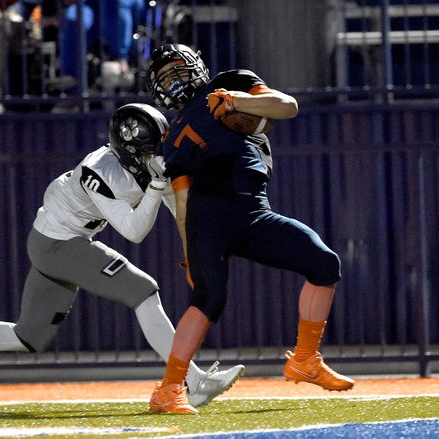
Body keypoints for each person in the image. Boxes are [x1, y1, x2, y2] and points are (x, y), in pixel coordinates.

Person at [0, 103, 244, 408]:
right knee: (143, 290)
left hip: (60, 240)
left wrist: (197, 245)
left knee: (28, 336)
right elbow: (134, 231)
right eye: (146, 153)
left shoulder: (145, 161)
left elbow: (176, 204)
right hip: (56, 243)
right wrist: (156, 186)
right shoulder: (100, 169)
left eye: (157, 150)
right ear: (126, 151)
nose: (153, 159)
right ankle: (191, 380)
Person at [144, 44, 355, 414]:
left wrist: (237, 101)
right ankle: (169, 389)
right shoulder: (174, 134)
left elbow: (286, 107)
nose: (173, 81)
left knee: (324, 263)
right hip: (207, 214)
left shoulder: (229, 82)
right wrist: (188, 252)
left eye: (176, 71)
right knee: (208, 299)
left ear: (195, 67)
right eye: (164, 79)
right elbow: (182, 202)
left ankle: (305, 359)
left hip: (253, 211)